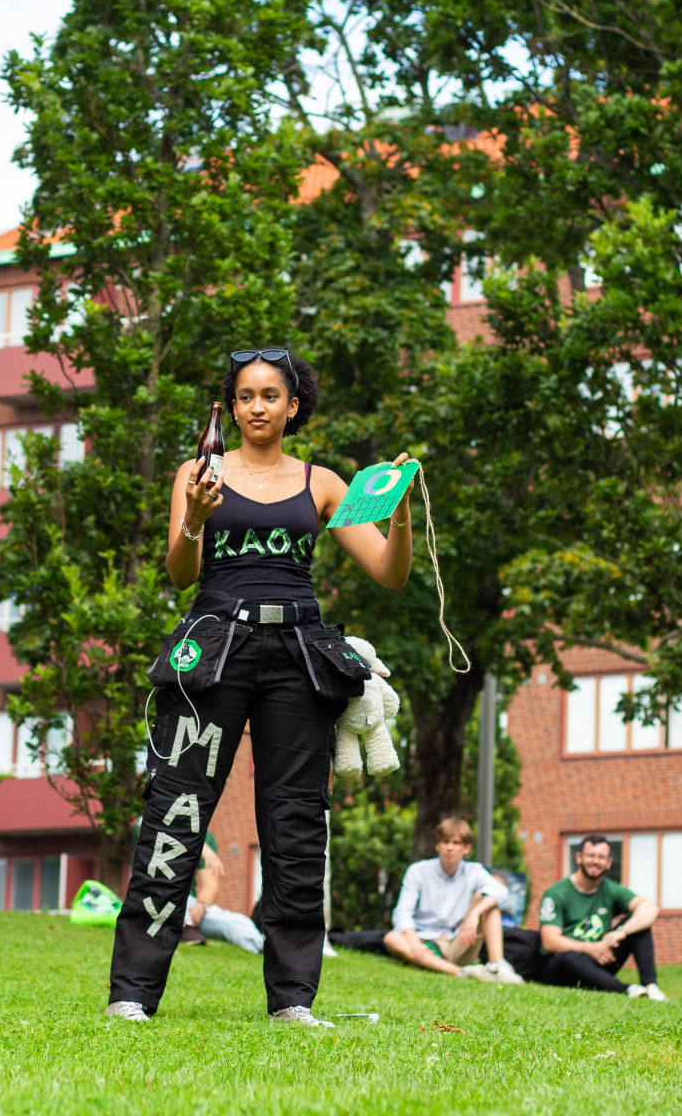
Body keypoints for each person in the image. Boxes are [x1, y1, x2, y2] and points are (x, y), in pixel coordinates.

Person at [105, 347, 415, 1027]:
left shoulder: (323, 483)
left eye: (270, 395)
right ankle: (132, 994)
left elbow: (390, 574)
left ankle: (292, 1002)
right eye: (245, 396)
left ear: (292, 406)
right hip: (213, 648)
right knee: (175, 814)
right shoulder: (200, 473)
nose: (256, 407)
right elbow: (180, 573)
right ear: (231, 407)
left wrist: (399, 515)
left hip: (299, 656)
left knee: (296, 827)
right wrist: (194, 516)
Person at [382, 817, 524, 984]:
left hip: (459, 941)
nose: (449, 848)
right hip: (424, 944)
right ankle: (462, 973)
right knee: (392, 938)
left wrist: (475, 913)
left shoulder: (474, 871)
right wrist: (414, 943)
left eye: (456, 843)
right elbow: (402, 913)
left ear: (466, 848)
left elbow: (501, 891)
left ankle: (496, 966)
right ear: (437, 845)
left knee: (488, 898)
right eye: (445, 842)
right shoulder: (418, 871)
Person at [537, 835, 667, 999]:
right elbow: (549, 942)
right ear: (579, 858)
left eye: (601, 857)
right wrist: (587, 948)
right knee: (570, 957)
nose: (595, 861)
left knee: (639, 924)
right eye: (590, 855)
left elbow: (650, 909)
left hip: (599, 960)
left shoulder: (610, 889)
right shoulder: (557, 893)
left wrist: (622, 931)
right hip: (561, 967)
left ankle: (651, 987)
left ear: (609, 862)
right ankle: (626, 990)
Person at [184, 837, 264, 954]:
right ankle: (183, 929)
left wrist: (201, 906)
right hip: (161, 897)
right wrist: (202, 847)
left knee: (237, 922)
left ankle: (263, 949)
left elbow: (209, 884)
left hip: (189, 903)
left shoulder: (206, 837)